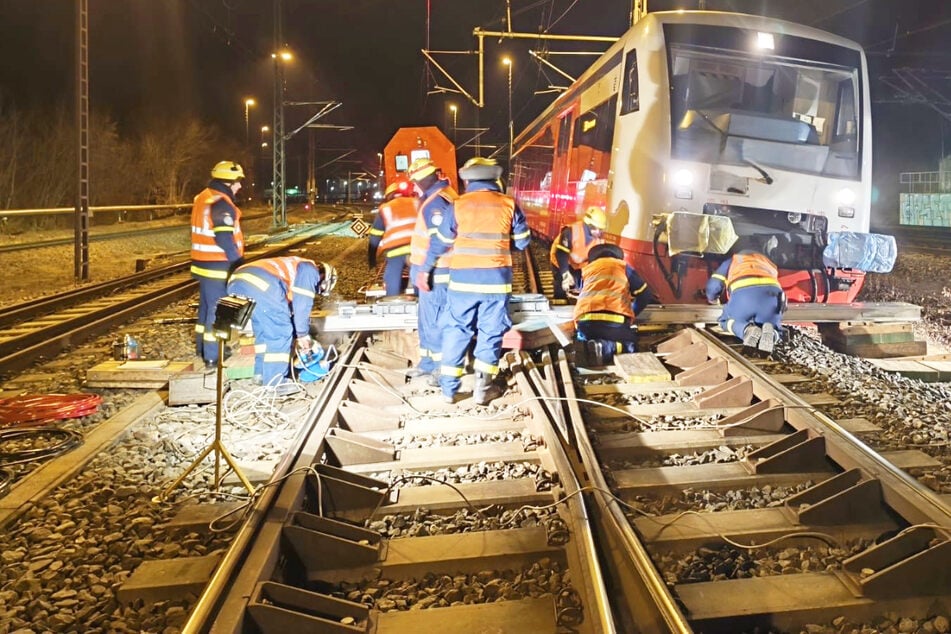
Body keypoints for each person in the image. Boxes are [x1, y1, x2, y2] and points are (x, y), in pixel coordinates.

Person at [416, 157, 531, 405]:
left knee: (456, 330)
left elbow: (440, 243)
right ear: (495, 179)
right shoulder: (509, 204)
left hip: (462, 283)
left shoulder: (458, 205)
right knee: (491, 331)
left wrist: (425, 270)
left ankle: (449, 390)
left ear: (468, 181)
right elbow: (523, 242)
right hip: (496, 283)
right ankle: (483, 389)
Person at [226, 256, 338, 386]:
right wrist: (302, 334)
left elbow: (290, 308)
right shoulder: (310, 270)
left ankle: (260, 374)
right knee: (281, 333)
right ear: (324, 279)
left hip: (236, 281)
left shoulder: (295, 265)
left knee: (263, 332)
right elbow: (302, 305)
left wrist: (296, 331)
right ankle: (276, 383)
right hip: (262, 284)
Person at [406, 157, 458, 381]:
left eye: (415, 183)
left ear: (422, 180)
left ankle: (440, 368)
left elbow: (439, 241)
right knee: (427, 320)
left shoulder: (436, 203)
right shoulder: (444, 195)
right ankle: (428, 363)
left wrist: (424, 269)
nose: (414, 187)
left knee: (435, 320)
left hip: (437, 271)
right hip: (435, 269)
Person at [191, 161, 246, 368]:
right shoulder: (221, 203)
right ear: (227, 182)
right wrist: (237, 262)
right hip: (218, 265)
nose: (239, 186)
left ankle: (202, 349)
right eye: (237, 181)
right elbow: (224, 238)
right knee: (218, 310)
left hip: (203, 263)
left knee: (206, 309)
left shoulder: (203, 196)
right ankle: (214, 356)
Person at [573, 243, 652, 365]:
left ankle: (587, 344)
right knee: (629, 345)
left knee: (585, 337)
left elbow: (579, 287)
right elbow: (645, 294)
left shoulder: (586, 269)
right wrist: (632, 313)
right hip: (615, 323)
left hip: (585, 321)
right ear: (618, 257)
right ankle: (604, 347)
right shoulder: (623, 267)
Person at [705, 249, 786, 354]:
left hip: (744, 295)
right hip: (773, 297)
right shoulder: (766, 262)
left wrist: (712, 299)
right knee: (771, 326)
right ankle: (773, 334)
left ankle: (747, 330)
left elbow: (714, 285)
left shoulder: (733, 260)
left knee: (725, 321)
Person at [367, 180, 418, 295]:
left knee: (392, 276)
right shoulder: (417, 202)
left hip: (396, 250)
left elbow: (375, 236)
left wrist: (371, 258)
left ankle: (392, 299)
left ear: (388, 196)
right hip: (416, 248)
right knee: (419, 275)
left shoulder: (385, 208)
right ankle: (420, 298)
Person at [550, 206, 607, 300]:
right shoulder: (571, 231)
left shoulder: (600, 239)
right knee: (561, 286)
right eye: (597, 229)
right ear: (589, 225)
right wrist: (565, 274)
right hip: (560, 261)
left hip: (578, 265)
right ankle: (559, 300)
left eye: (601, 229)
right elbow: (561, 254)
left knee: (576, 287)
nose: (599, 232)